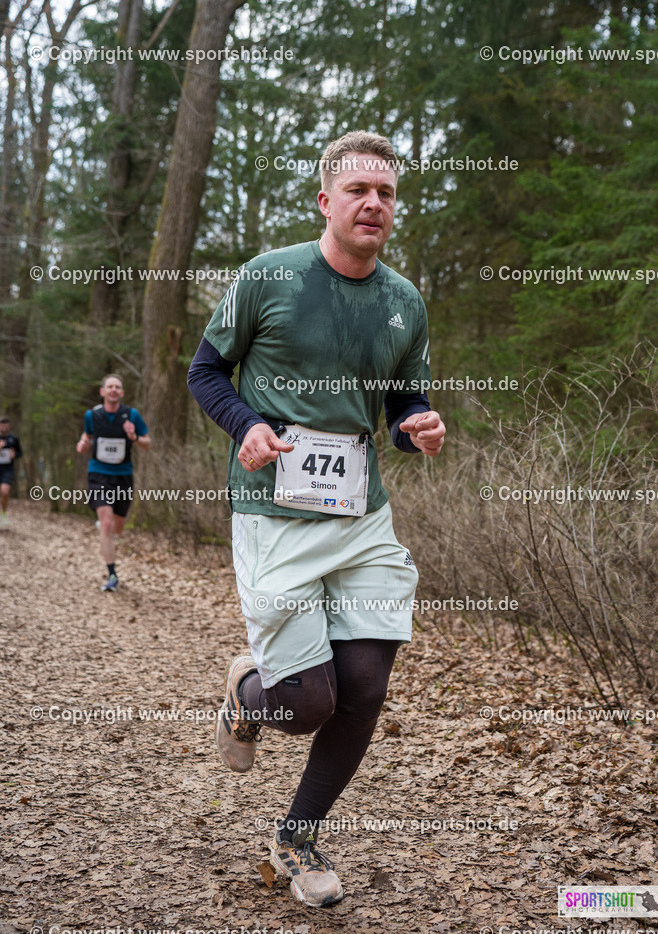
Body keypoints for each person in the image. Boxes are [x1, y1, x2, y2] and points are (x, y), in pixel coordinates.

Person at [188, 131, 445, 908]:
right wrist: (246, 426)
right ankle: (248, 694)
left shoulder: (404, 302)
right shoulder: (268, 277)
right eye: (358, 190)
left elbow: (401, 401)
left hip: (360, 517)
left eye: (386, 193)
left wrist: (416, 424)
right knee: (306, 704)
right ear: (325, 200)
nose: (373, 204)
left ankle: (295, 838)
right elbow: (206, 371)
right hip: (273, 514)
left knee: (364, 685)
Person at [76, 374, 150, 590]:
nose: (113, 389)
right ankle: (112, 575)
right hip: (98, 473)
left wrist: (134, 437)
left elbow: (147, 443)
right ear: (103, 391)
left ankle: (106, 528)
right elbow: (87, 436)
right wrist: (83, 444)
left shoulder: (131, 415)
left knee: (118, 526)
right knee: (107, 523)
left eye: (117, 387)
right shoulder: (92, 415)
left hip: (123, 475)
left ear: (122, 393)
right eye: (110, 386)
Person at [0, 415, 23, 526]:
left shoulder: (14, 438)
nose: (4, 428)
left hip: (7, 469)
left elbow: (20, 453)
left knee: (5, 492)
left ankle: (3, 514)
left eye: (6, 426)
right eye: (2, 426)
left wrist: (15, 455)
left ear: (9, 426)